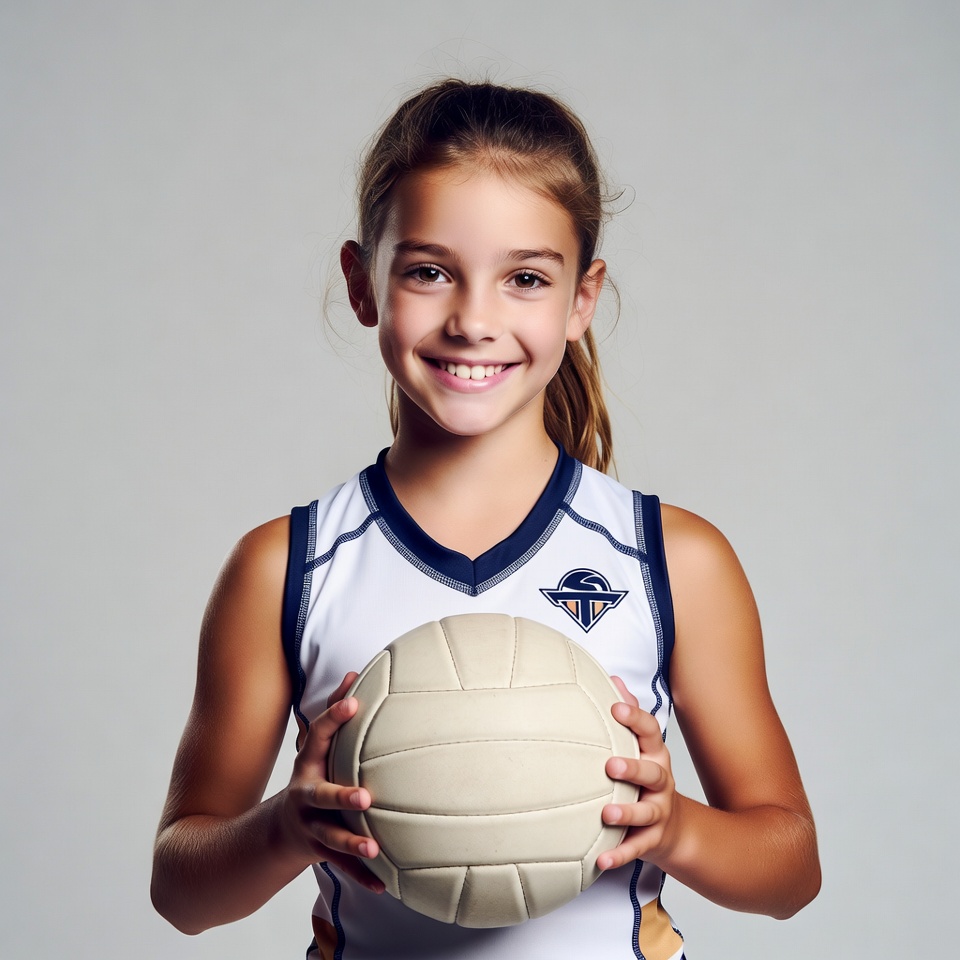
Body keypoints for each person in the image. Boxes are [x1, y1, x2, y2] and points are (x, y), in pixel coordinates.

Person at [151, 79, 820, 959]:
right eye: (429, 272)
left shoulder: (670, 559)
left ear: (582, 299)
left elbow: (792, 872)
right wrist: (285, 827)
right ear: (363, 284)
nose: (473, 320)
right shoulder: (289, 567)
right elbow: (181, 892)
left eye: (526, 279)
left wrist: (673, 827)